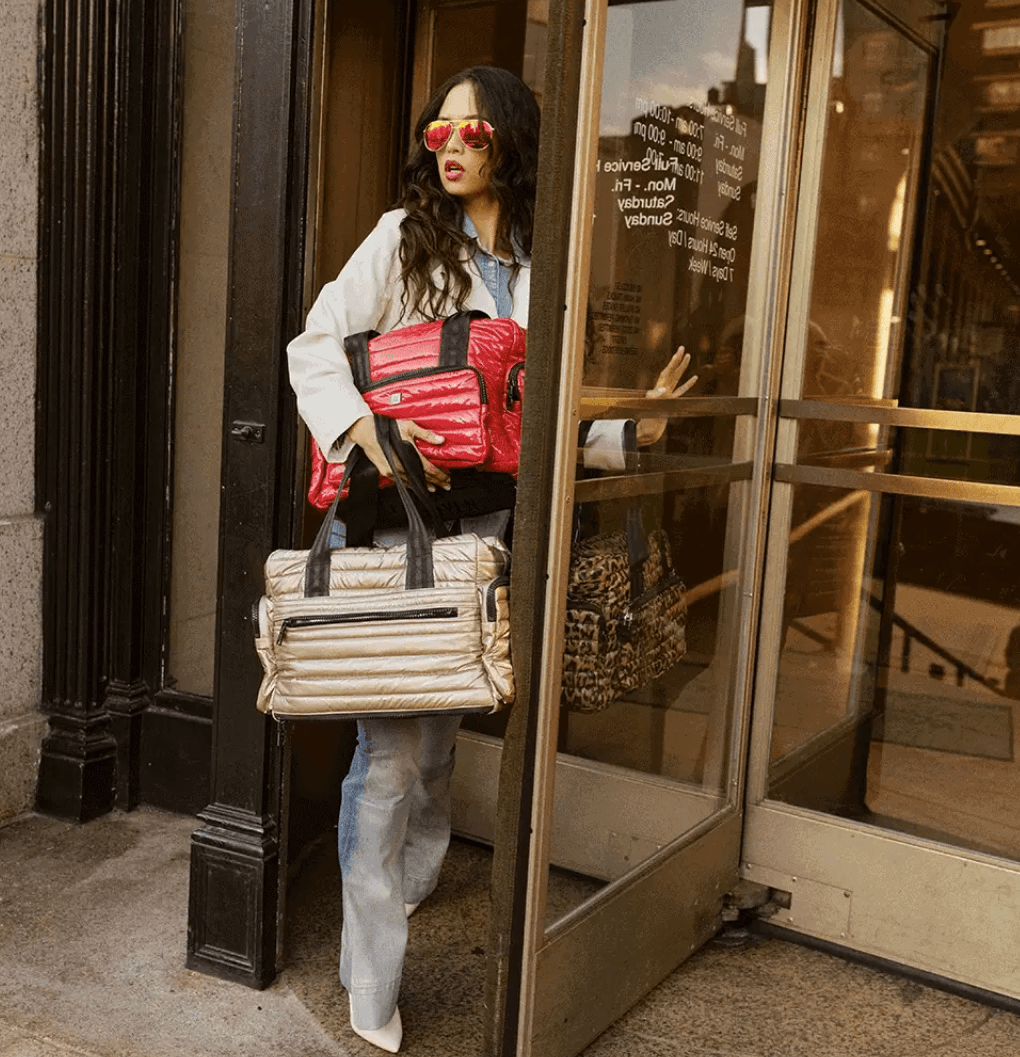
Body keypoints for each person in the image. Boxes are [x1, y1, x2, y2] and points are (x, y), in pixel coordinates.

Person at [284, 65, 692, 1053]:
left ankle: (416, 878)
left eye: (473, 127)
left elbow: (532, 425)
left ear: (511, 141)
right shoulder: (402, 239)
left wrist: (635, 429)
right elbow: (314, 346)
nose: (452, 142)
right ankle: (370, 975)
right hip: (397, 528)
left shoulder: (537, 267)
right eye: (439, 129)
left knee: (436, 737)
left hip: (486, 540)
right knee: (385, 758)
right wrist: (365, 431)